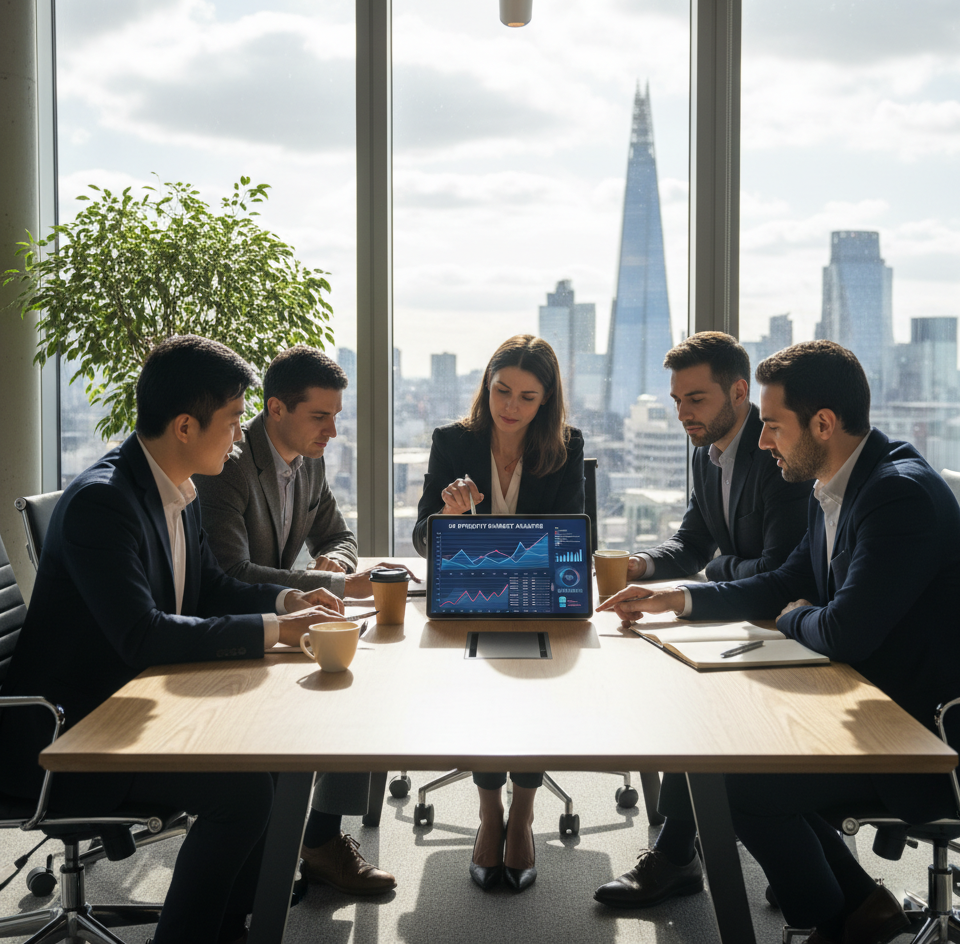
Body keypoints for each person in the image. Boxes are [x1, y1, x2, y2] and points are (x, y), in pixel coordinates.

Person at [593, 341, 960, 944]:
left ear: (822, 424)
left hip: (943, 737)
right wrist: (680, 599)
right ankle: (859, 914)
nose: (763, 441)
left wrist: (795, 616)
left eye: (772, 426)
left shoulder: (896, 494)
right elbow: (785, 582)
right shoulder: (842, 482)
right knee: (737, 763)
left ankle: (842, 918)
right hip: (887, 706)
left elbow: (843, 629)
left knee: (740, 782)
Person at [0, 336, 347, 944]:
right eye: (235, 421)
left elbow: (209, 585)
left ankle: (230, 929)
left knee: (266, 766)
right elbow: (143, 636)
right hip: (68, 736)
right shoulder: (104, 504)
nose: (242, 437)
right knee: (239, 793)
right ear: (186, 425)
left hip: (132, 707)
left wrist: (287, 601)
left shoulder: (176, 485)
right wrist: (274, 632)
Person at [193, 345, 401, 896]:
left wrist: (335, 561)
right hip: (228, 629)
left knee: (356, 677)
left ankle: (319, 839)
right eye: (320, 416)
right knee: (343, 683)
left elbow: (340, 534)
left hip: (281, 614)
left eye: (336, 416)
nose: (332, 431)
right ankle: (286, 847)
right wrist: (328, 583)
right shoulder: (226, 466)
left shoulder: (309, 458)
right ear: (275, 409)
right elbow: (229, 572)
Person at [413, 333, 585, 892]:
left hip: (537, 598)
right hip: (472, 594)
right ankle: (490, 814)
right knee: (481, 692)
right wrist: (447, 514)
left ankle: (525, 813)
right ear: (486, 387)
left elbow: (571, 539)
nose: (510, 407)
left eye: (526, 397)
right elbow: (421, 539)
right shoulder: (453, 442)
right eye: (501, 390)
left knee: (537, 687)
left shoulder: (565, 446)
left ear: (546, 400)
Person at [628, 332, 813, 584]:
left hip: (778, 615)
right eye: (677, 401)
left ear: (738, 392)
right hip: (741, 611)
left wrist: (718, 567)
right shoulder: (705, 453)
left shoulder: (778, 454)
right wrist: (640, 563)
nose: (682, 414)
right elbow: (692, 542)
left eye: (696, 399)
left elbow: (777, 569)